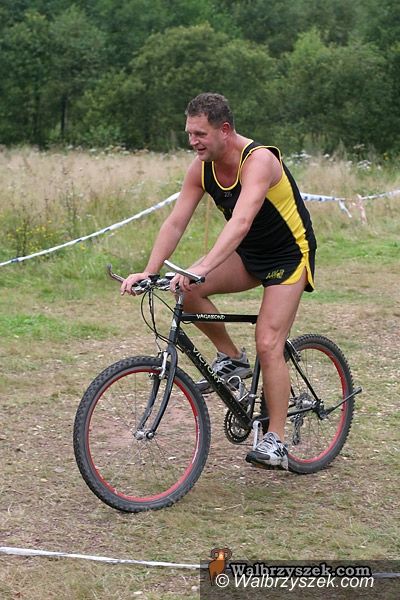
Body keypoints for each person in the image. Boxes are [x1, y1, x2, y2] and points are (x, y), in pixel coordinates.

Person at [121, 92, 317, 470]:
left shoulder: (259, 160)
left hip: (288, 255)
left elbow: (241, 222)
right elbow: (176, 221)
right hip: (249, 255)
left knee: (268, 342)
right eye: (189, 133)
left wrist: (203, 265)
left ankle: (276, 439)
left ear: (224, 130)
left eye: (200, 134)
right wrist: (150, 270)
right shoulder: (201, 168)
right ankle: (232, 357)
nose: (192, 141)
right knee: (185, 288)